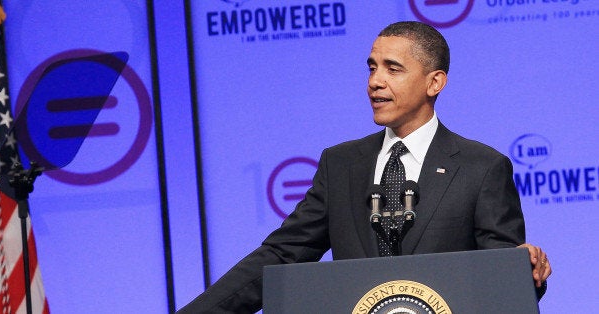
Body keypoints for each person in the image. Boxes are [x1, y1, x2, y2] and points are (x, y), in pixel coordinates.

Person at [177, 21, 552, 313]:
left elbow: (503, 276)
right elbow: (282, 254)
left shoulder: (481, 167)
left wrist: (527, 271)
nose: (375, 81)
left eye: (393, 69)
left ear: (434, 82)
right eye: (372, 68)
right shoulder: (341, 164)